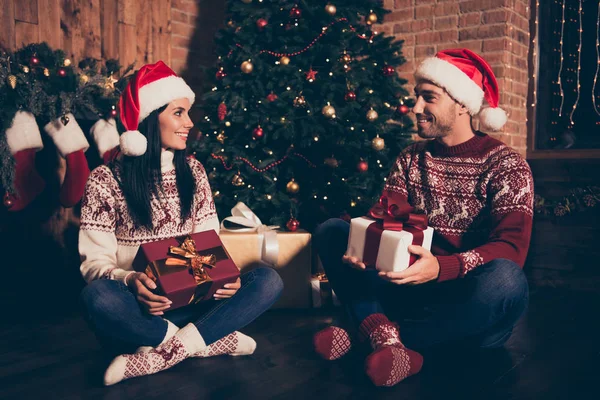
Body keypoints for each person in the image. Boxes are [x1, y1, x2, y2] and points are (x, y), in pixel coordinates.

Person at [312, 49, 533, 387]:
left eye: (428, 98)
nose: (415, 108)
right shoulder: (411, 158)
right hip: (406, 290)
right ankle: (387, 340)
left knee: (506, 280)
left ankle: (375, 333)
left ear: (462, 104)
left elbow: (511, 248)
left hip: (466, 304)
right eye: (416, 97)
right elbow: (386, 218)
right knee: (332, 231)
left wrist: (443, 267)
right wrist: (365, 248)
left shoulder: (507, 165)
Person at [78, 61, 283, 386]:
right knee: (98, 297)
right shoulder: (105, 179)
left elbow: (210, 245)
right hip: (144, 312)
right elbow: (94, 263)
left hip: (198, 302)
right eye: (178, 113)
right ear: (147, 119)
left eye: (188, 112)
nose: (189, 122)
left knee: (268, 280)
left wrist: (224, 277)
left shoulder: (195, 171)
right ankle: (210, 341)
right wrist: (131, 280)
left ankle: (165, 353)